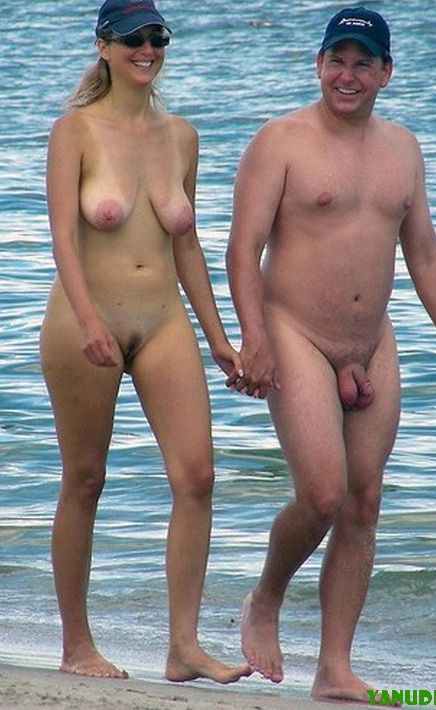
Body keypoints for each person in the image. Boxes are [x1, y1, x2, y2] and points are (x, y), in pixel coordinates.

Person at [225, 6, 436, 704]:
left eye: (362, 63)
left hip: (372, 341)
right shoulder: (280, 141)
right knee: (323, 493)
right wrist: (254, 338)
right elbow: (242, 249)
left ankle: (334, 667)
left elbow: (425, 254)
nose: (348, 75)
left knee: (364, 501)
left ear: (386, 73)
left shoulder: (403, 148)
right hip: (296, 332)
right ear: (319, 65)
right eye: (337, 61)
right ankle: (264, 599)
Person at [40, 0, 250, 684]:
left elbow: (187, 244)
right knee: (86, 480)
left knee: (198, 477)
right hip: (85, 318)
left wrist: (220, 339)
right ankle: (76, 647)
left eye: (157, 35)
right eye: (132, 37)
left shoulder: (181, 136)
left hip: (163, 321)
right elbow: (62, 237)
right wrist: (88, 319)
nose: (147, 48)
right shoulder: (74, 131)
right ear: (103, 46)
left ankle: (183, 647)